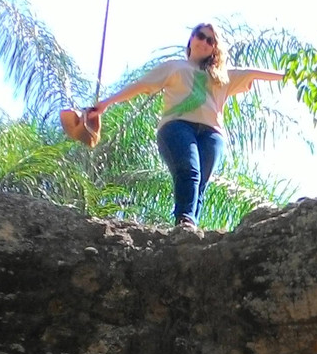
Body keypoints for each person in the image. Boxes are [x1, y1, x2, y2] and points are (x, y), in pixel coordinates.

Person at [91, 22, 285, 230]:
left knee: (200, 182)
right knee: (189, 170)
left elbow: (253, 73)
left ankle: (190, 228)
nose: (204, 42)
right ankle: (184, 222)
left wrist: (291, 76)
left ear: (214, 48)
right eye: (201, 36)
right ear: (191, 38)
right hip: (177, 127)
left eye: (211, 40)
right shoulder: (175, 66)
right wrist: (105, 104)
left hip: (212, 133)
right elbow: (141, 85)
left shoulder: (222, 75)